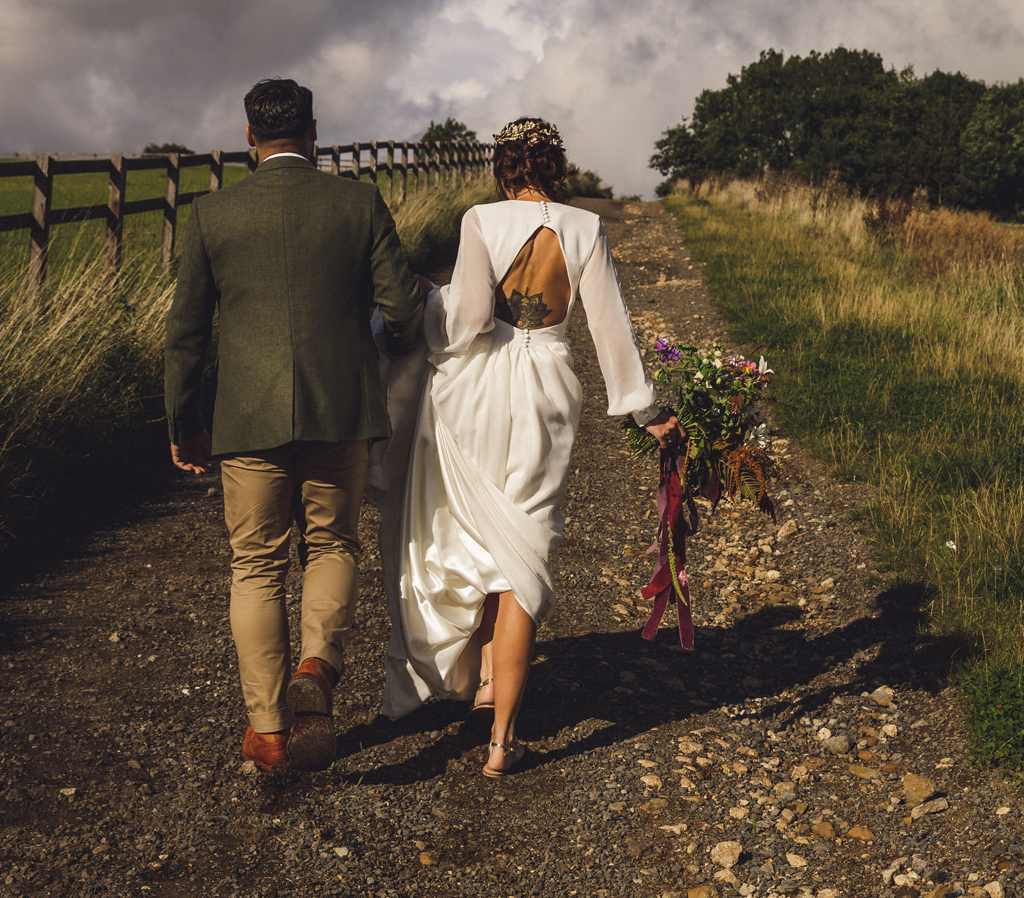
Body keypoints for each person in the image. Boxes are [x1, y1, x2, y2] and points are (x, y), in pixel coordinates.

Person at [380, 117, 680, 776]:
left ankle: (484, 676)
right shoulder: (584, 228)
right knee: (523, 549)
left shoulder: (480, 220)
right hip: (546, 387)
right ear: (556, 165)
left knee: (487, 531)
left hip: (477, 389)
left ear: (504, 165)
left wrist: (434, 304)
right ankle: (502, 736)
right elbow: (609, 329)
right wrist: (645, 411)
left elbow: (467, 320)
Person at [165, 78, 426, 773]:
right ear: (315, 132)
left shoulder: (212, 213)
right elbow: (401, 309)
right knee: (332, 542)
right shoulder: (357, 201)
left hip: (246, 417)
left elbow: (186, 332)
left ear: (249, 137)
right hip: (339, 406)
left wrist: (183, 419)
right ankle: (319, 662)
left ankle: (270, 732)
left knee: (255, 565)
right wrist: (373, 340)